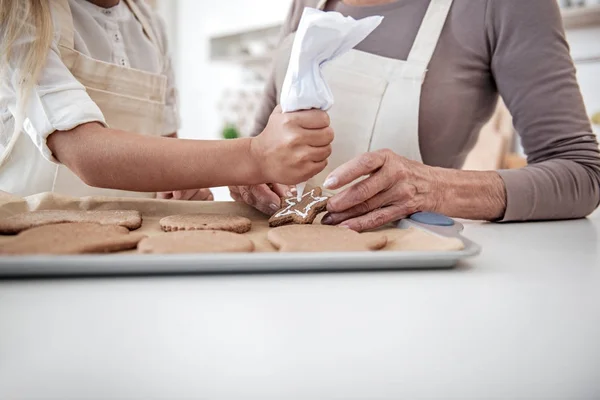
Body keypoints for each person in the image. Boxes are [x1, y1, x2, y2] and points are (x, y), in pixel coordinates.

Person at [231, 0, 600, 231]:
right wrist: (250, 174)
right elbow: (259, 144)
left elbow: (582, 173)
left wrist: (437, 189)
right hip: (284, 267)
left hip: (411, 278)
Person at [0, 0, 333, 200]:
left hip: (134, 253)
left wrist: (182, 185)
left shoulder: (148, 24)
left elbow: (166, 148)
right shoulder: (20, 17)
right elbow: (84, 151)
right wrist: (253, 157)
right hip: (34, 256)